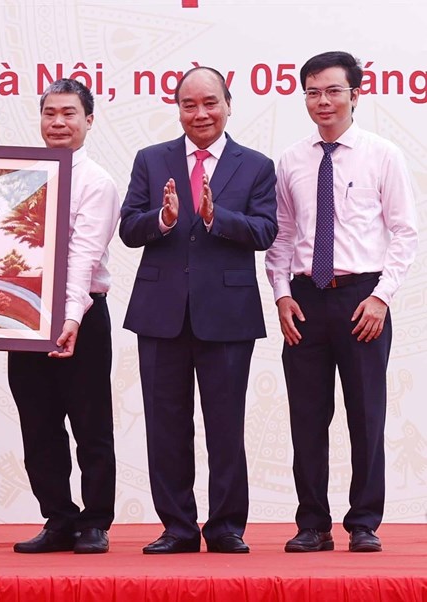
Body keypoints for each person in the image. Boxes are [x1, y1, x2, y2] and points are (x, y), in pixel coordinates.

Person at [119, 67, 277, 554]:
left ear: (228, 104)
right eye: (189, 105)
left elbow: (265, 231)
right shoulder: (152, 159)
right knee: (165, 423)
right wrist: (162, 220)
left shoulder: (255, 165)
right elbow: (128, 228)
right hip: (160, 311)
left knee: (225, 423)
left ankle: (227, 526)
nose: (200, 113)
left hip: (227, 313)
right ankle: (178, 528)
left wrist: (216, 217)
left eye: (210, 102)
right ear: (179, 110)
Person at [265, 51, 417, 554]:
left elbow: (405, 233)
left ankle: (364, 521)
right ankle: (312, 523)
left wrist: (381, 297)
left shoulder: (382, 154)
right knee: (307, 417)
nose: (322, 101)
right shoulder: (291, 159)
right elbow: (283, 236)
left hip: (362, 299)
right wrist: (282, 295)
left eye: (333, 90)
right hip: (306, 300)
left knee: (366, 414)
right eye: (312, 91)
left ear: (356, 94)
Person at [9, 79, 119, 555]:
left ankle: (95, 522)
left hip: (84, 315)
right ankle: (58, 517)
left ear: (88, 121)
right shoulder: (18, 177)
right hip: (23, 314)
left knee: (90, 422)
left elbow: (83, 257)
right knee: (37, 422)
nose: (58, 122)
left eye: (69, 113)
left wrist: (70, 317)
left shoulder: (98, 183)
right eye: (50, 113)